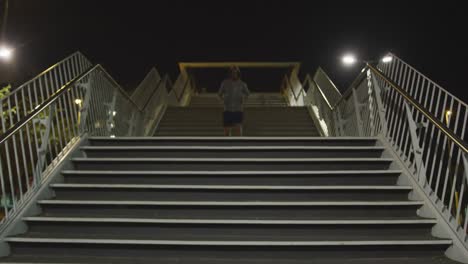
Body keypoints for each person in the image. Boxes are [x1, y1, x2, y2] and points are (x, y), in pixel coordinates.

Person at [218, 66, 250, 136]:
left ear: (238, 73)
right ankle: (227, 145)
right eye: (232, 72)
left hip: (238, 109)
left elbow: (247, 93)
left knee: (238, 128)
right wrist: (224, 100)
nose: (234, 74)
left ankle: (239, 144)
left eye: (235, 73)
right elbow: (219, 94)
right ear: (230, 73)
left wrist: (243, 99)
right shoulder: (225, 83)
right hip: (227, 109)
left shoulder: (242, 84)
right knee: (227, 129)